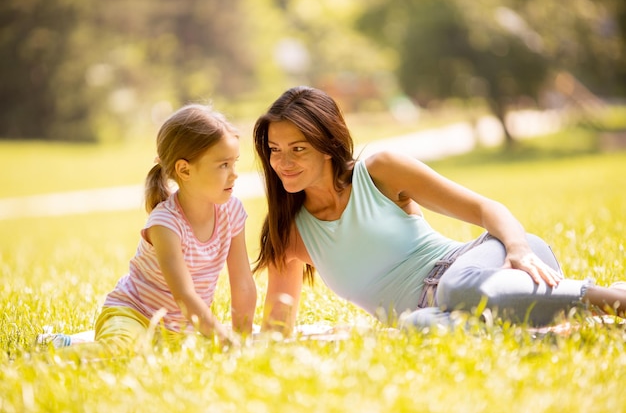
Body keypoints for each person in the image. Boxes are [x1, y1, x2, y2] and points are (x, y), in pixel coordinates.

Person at [252, 86, 626, 335]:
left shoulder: (379, 171)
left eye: (297, 149)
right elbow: (277, 323)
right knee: (417, 326)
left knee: (457, 287)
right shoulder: (290, 232)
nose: (282, 162)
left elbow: (485, 208)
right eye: (274, 149)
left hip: (496, 264)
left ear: (328, 144)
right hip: (450, 308)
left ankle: (613, 301)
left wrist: (518, 250)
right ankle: (577, 325)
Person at [39, 104, 257, 351]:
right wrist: (223, 339)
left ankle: (72, 341)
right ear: (184, 170)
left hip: (182, 329)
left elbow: (243, 284)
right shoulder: (166, 223)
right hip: (134, 315)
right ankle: (55, 352)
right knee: (124, 352)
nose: (234, 174)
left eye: (234, 162)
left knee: (204, 351)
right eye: (223, 165)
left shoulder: (232, 212)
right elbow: (184, 295)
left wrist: (243, 339)